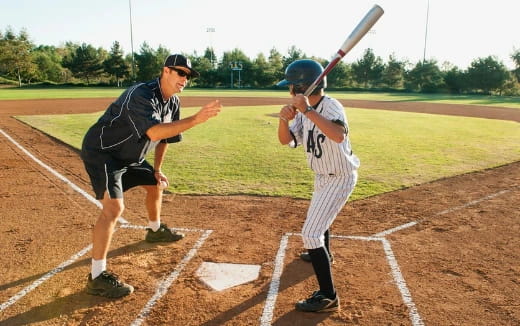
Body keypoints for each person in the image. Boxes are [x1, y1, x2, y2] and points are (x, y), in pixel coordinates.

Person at [80, 54, 222, 298]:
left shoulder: (173, 102)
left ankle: (155, 230)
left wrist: (156, 170)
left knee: (155, 184)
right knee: (114, 209)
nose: (184, 79)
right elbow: (155, 131)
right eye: (180, 73)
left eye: (188, 76)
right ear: (166, 71)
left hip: (131, 156)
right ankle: (96, 276)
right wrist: (197, 119)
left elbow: (165, 139)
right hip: (104, 152)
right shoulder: (141, 94)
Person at [277, 59, 360, 312]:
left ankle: (328, 296)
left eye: (291, 86)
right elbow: (287, 141)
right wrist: (284, 119)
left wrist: (307, 111)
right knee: (318, 225)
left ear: (301, 88)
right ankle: (326, 253)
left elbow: (338, 134)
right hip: (323, 176)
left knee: (310, 234)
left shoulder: (330, 105)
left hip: (340, 177)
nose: (289, 90)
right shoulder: (304, 111)